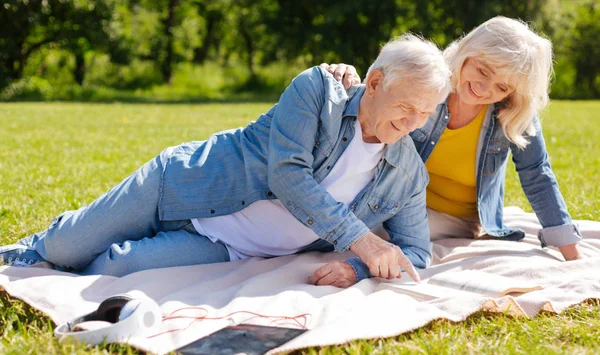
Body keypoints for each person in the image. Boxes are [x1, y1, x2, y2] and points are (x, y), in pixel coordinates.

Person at [0, 34, 452, 288]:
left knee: (115, 270)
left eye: (426, 114)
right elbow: (289, 176)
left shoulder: (409, 172)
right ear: (374, 82)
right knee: (62, 250)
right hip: (181, 184)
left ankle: (60, 260)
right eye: (407, 107)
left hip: (226, 243)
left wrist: (355, 267)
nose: (413, 123)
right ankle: (36, 249)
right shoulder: (318, 91)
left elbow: (416, 251)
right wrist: (363, 243)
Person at [319, 16, 584, 286]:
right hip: (395, 198)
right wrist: (341, 77)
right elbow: (377, 97)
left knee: (357, 230)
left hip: (453, 218)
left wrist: (572, 256)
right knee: (329, 214)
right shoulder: (429, 82)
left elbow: (537, 175)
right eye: (482, 71)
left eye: (502, 87)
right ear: (468, 52)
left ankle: (360, 267)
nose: (484, 89)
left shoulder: (513, 113)